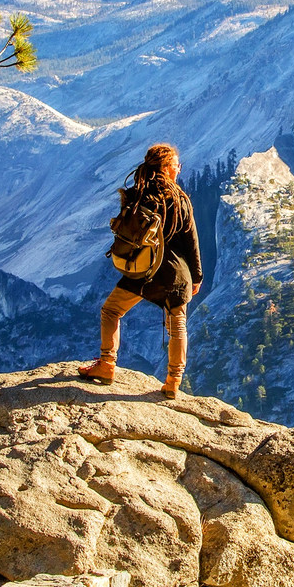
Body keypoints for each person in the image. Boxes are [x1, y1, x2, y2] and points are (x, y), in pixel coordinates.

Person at [78, 143, 203, 399]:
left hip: (143, 269)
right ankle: (172, 383)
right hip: (176, 273)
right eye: (176, 165)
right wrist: (197, 276)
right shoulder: (180, 199)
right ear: (167, 169)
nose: (179, 169)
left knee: (111, 310)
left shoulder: (138, 194)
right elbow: (192, 242)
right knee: (177, 325)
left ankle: (106, 364)